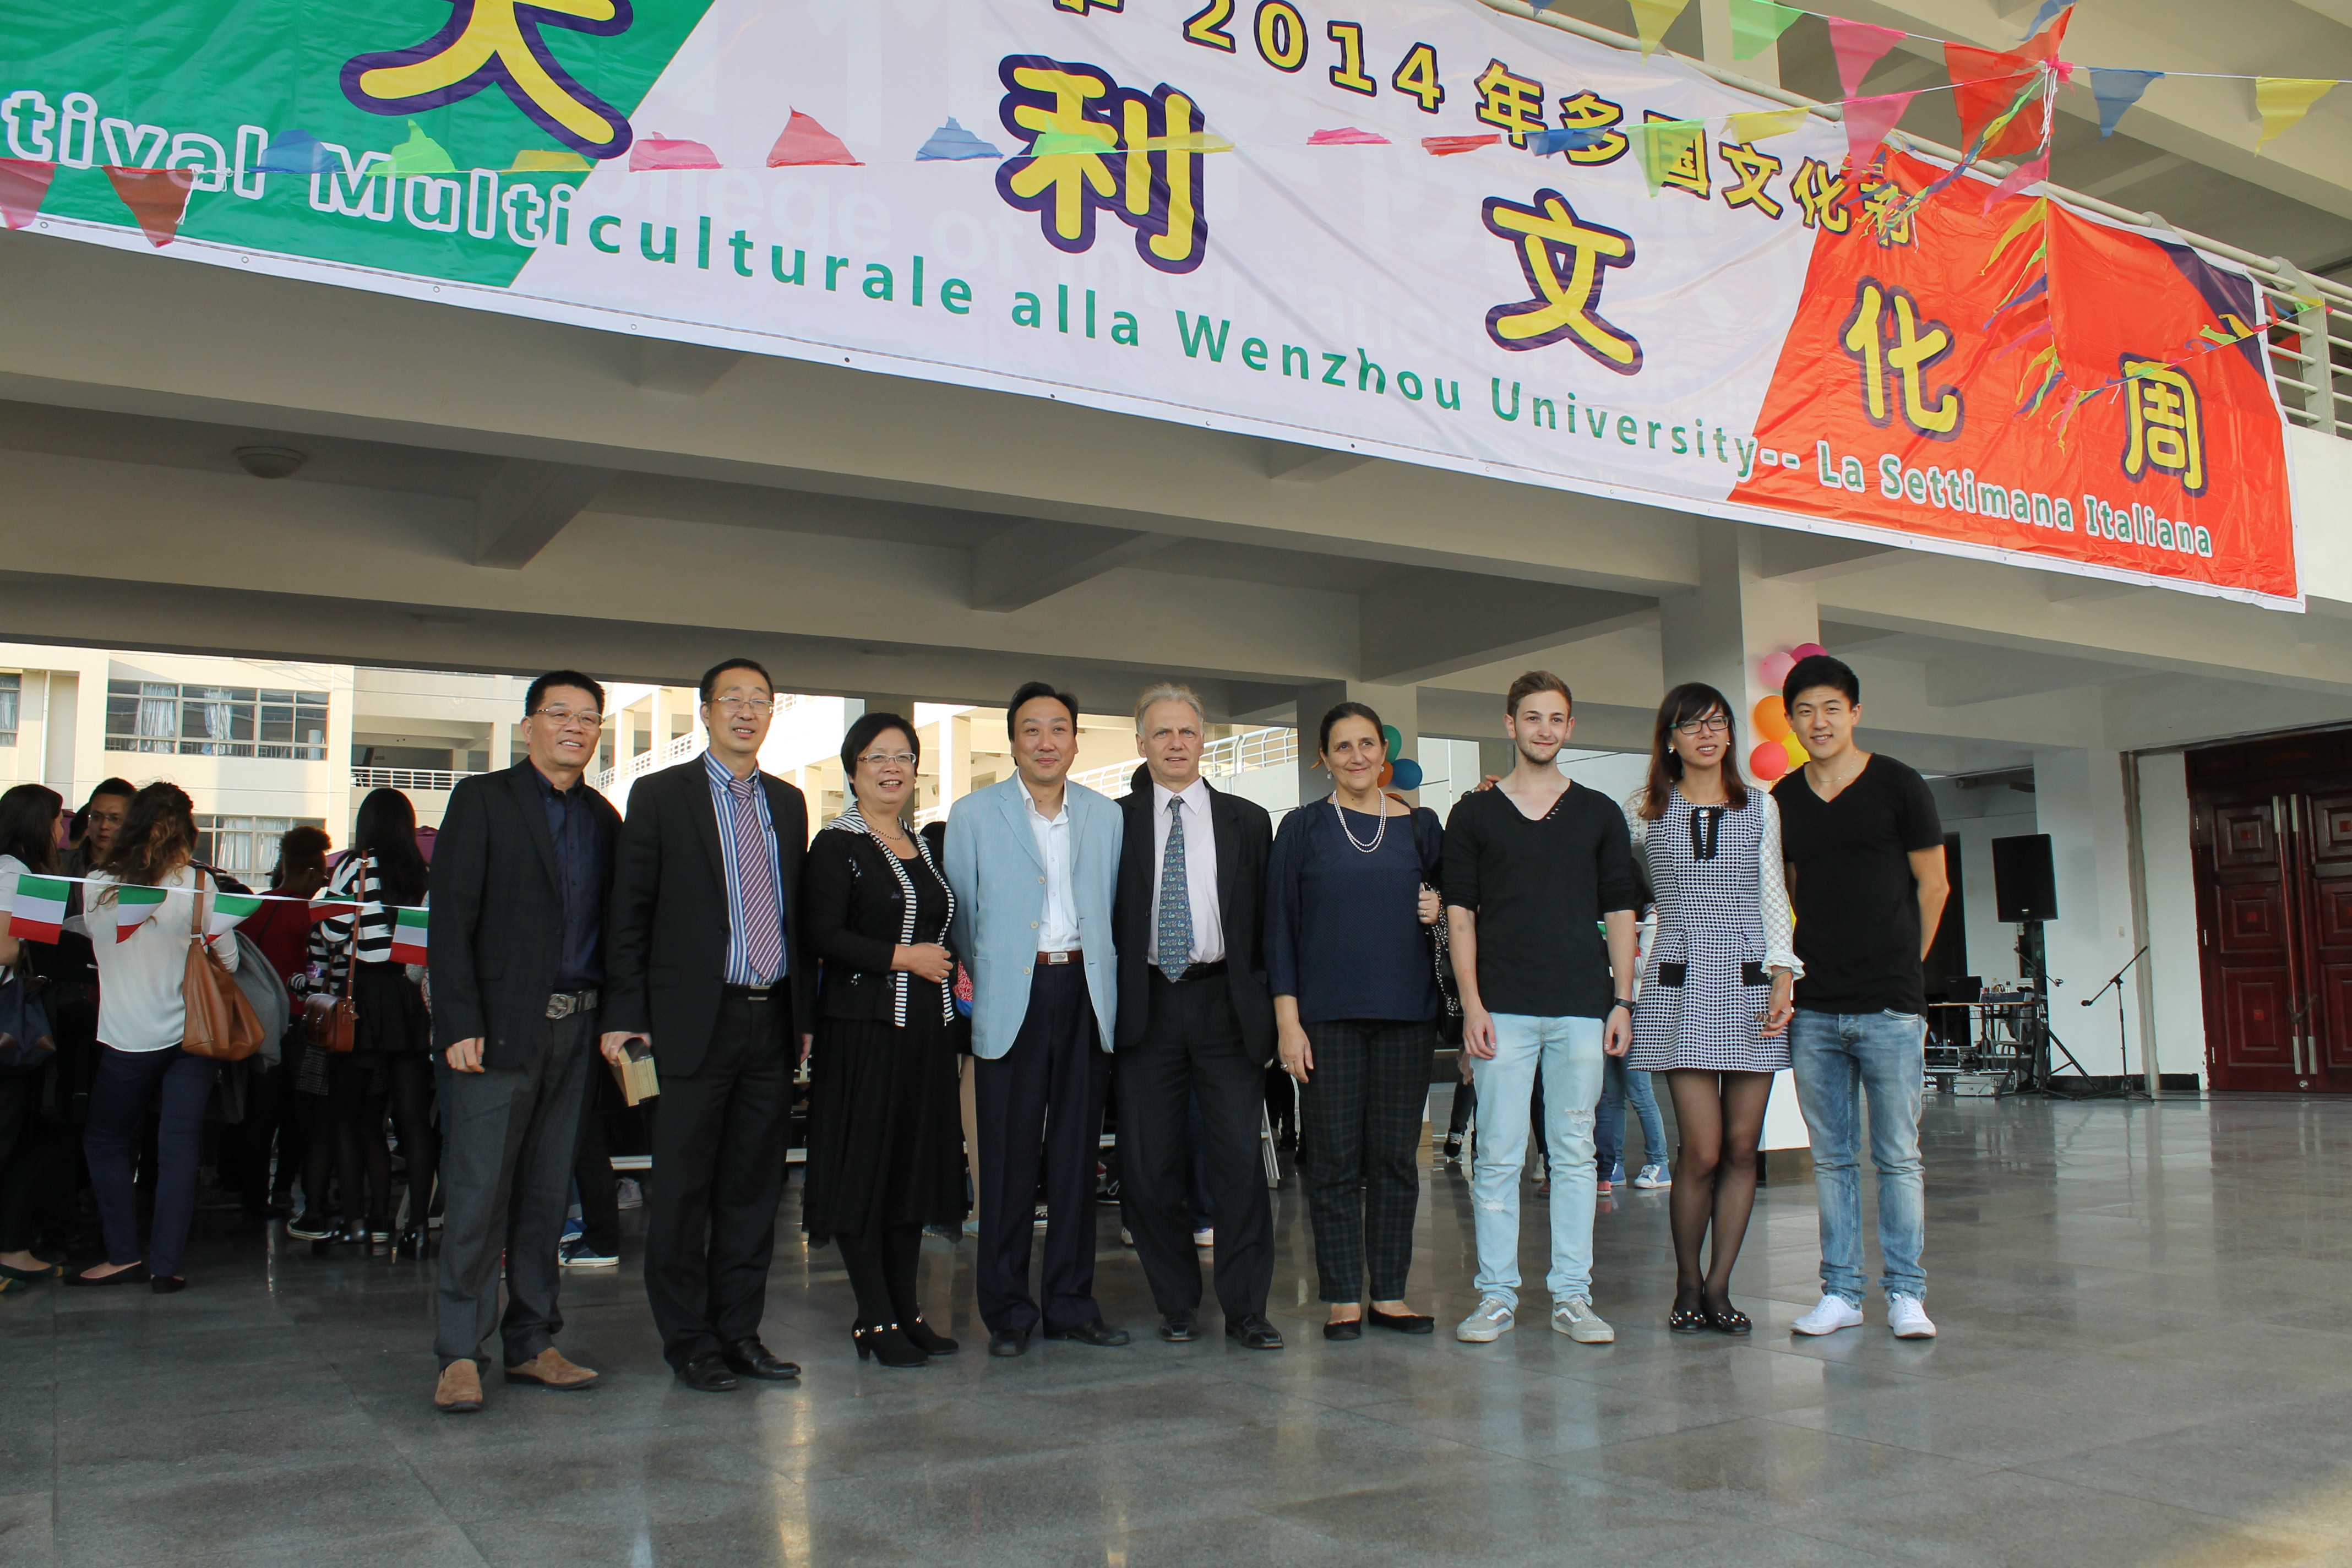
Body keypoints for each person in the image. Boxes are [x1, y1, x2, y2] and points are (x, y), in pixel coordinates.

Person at [604, 657, 809, 1393]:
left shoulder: (788, 802)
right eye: (733, 699)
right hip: (690, 1021)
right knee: (684, 1189)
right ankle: (689, 1341)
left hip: (770, 1018)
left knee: (754, 1189)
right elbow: (629, 912)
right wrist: (625, 1016)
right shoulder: (662, 795)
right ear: (706, 711)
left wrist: (802, 1016)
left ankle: (739, 1333)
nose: (747, 711)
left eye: (761, 700)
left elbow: (794, 917)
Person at [427, 671, 620, 1413]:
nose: (575, 726)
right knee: (478, 1194)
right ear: (529, 724)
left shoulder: (604, 818)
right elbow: (451, 918)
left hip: (578, 1026)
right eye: (559, 713)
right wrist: (458, 1022)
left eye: (588, 717)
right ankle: (459, 1352)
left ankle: (533, 1341)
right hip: (496, 1029)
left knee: (546, 1192)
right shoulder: (483, 800)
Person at [1443, 672, 1640, 1347]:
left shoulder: (1599, 813)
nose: (1545, 729)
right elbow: (1460, 916)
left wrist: (1623, 999)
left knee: (1575, 1152)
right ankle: (1496, 1295)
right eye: (1532, 717)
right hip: (1502, 1006)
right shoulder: (1473, 814)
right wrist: (1471, 1006)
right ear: (1510, 724)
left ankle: (1573, 1296)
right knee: (1497, 1153)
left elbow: (1621, 910)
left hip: (1582, 1005)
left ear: (1570, 727)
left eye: (1556, 718)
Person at [943, 681, 1125, 1358]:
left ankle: (1072, 1304)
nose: (1046, 742)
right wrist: (1000, 969)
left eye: (1058, 729)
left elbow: (1112, 904)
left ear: (1075, 741)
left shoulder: (1107, 816)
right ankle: (1008, 1311)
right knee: (1006, 1158)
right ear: (1013, 742)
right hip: (1010, 992)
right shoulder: (972, 814)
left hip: (1085, 991)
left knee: (1077, 1156)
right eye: (1031, 730)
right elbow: (962, 914)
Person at [1773, 654, 1948, 1341]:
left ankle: (1906, 1292)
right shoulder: (1784, 798)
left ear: (1854, 713)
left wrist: (1906, 964)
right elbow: (1788, 891)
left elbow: (1934, 886)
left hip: (1890, 1005)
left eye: (1831, 708)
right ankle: (1841, 1292)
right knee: (1832, 1157)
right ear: (1790, 722)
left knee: (1898, 1155)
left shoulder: (1900, 785)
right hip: (1815, 1006)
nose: (1819, 722)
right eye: (1805, 711)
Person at [1622, 683, 1800, 1336]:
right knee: (1700, 1149)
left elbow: (1774, 895)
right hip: (1679, 978)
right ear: (1669, 738)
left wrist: (1784, 973)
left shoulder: (1760, 805)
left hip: (1750, 976)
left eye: (1718, 723)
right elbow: (1616, 887)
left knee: (1743, 1147)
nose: (1708, 735)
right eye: (1692, 725)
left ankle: (1720, 1286)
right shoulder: (1644, 808)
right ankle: (1687, 1282)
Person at [1268, 702, 1446, 1341]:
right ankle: (1343, 1296)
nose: (1357, 757)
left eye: (1367, 743)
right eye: (1343, 746)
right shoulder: (1302, 828)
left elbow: (1460, 904)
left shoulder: (1422, 826)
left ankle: (1390, 1294)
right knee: (1335, 1159)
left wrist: (1439, 907)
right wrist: (1288, 1023)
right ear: (1324, 757)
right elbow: (1278, 928)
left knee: (1396, 1159)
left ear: (1384, 751)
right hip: (1327, 1020)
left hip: (1408, 1014)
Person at [1110, 684, 1281, 1351]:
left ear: (1204, 739)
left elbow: (1267, 924)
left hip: (1225, 1005)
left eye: (1186, 731)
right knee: (1149, 1166)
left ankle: (1247, 1309)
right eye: (1162, 733)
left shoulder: (1249, 820)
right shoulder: (1114, 821)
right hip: (1146, 1005)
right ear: (1141, 743)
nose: (1175, 743)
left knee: (1238, 1162)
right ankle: (1177, 1302)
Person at [800, 712, 966, 1367]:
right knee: (864, 1172)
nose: (891, 767)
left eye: (903, 756)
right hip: (864, 1030)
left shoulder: (922, 844)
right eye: (877, 757)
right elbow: (821, 933)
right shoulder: (836, 844)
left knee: (911, 1173)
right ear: (853, 771)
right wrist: (904, 958)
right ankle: (873, 1317)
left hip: (926, 1031)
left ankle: (908, 1312)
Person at [70, 782, 238, 1294]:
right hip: (193, 1034)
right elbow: (229, 961)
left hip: (127, 1036)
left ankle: (123, 1255)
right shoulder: (200, 884)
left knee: (106, 1141)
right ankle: (167, 1267)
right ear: (187, 831)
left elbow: (100, 949)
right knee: (178, 1148)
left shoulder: (98, 882)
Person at [309, 788, 437, 1255]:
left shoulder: (354, 866)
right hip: (408, 998)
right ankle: (417, 1228)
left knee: (352, 1116)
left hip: (364, 996)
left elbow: (331, 931)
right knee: (413, 1121)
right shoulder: (422, 872)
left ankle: (361, 1223)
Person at [226, 825, 330, 1222]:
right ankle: (284, 1189)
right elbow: (316, 971)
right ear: (310, 873)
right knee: (299, 1114)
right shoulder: (310, 915)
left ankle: (252, 1195)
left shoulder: (251, 909)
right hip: (299, 1023)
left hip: (253, 1023)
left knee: (259, 1113)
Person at [0, 785, 68, 1283]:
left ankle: (12, 1246)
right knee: (10, 1134)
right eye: (57, 820)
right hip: (8, 1019)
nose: (61, 831)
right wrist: (37, 929)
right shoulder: (13, 872)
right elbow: (6, 949)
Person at [1596, 1060, 1670, 1194]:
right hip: (1611, 1046)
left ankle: (1659, 1163)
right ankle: (1615, 1164)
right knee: (1613, 1099)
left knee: (1641, 1096)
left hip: (1637, 1046)